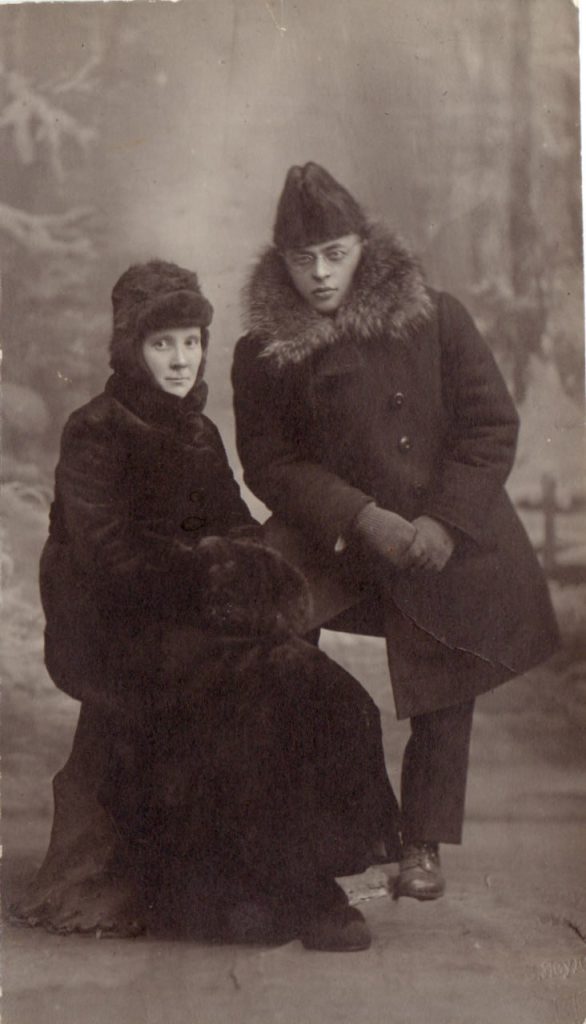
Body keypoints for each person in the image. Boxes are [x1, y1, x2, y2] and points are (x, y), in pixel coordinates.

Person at [13, 258, 400, 952]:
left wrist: (251, 573)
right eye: (162, 343)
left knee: (323, 689)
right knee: (254, 688)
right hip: (114, 627)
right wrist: (216, 573)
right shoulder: (95, 429)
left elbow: (238, 523)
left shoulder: (198, 432)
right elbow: (108, 558)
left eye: (191, 342)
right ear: (131, 349)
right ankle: (252, 891)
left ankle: (305, 881)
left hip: (193, 613)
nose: (180, 359)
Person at [231, 162, 560, 901]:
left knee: (446, 658)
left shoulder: (436, 318)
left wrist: (442, 523)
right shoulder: (263, 351)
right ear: (281, 260)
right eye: (303, 259)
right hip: (338, 534)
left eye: (335, 254)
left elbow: (489, 427)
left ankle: (423, 842)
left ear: (363, 247)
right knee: (271, 627)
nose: (320, 275)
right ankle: (303, 817)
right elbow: (270, 463)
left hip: (439, 526)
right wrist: (358, 517)